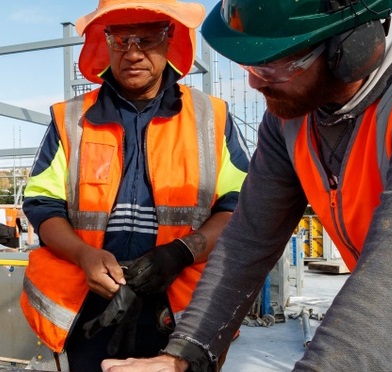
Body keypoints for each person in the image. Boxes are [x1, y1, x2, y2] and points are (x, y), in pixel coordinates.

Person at [101, 0, 392, 371]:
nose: (255, 82)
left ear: (350, 49)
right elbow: (249, 240)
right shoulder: (292, 117)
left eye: (275, 65)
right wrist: (184, 355)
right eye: (250, 65)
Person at [19, 0, 250, 371]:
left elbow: (239, 209)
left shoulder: (212, 117)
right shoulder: (70, 119)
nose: (133, 53)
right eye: (120, 39)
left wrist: (180, 253)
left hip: (181, 315)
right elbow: (43, 205)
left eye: (148, 38)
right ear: (104, 40)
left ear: (171, 38)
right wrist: (84, 255)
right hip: (91, 311)